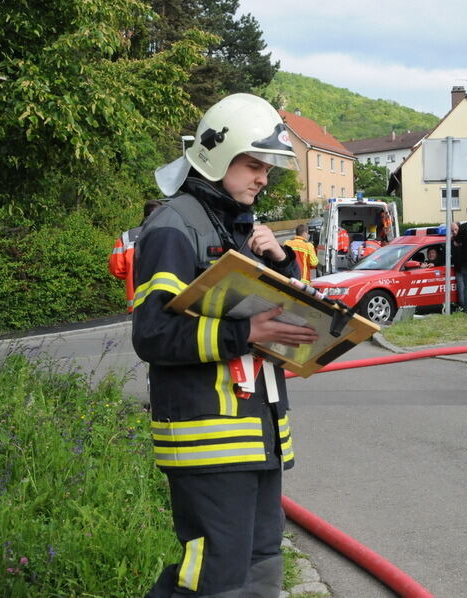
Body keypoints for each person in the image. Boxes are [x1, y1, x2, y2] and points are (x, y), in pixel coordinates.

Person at [133, 93, 319, 598]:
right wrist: (247, 334)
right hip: (208, 437)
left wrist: (281, 267)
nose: (263, 178)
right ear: (217, 156)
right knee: (214, 572)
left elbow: (265, 309)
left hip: (258, 435)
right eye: (253, 165)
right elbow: (151, 334)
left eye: (267, 168)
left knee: (260, 562)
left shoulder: (240, 229)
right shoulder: (173, 227)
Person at [109, 199, 163, 312]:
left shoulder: (126, 237)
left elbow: (117, 269)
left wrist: (130, 272)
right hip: (162, 301)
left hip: (136, 304)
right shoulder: (169, 233)